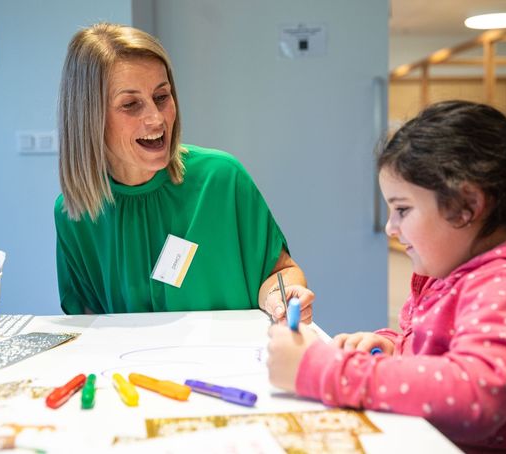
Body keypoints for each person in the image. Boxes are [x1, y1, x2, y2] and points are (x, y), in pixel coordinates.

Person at [267, 100, 506, 453]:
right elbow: (432, 342)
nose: (391, 227)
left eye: (402, 209)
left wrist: (322, 369)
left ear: (467, 204)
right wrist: (391, 346)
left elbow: (472, 395)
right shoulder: (454, 269)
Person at [54, 23, 314, 322]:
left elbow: (280, 272)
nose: (156, 118)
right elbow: (88, 318)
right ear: (88, 117)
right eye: (130, 104)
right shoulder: (74, 214)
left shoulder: (221, 179)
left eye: (162, 97)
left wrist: (281, 297)